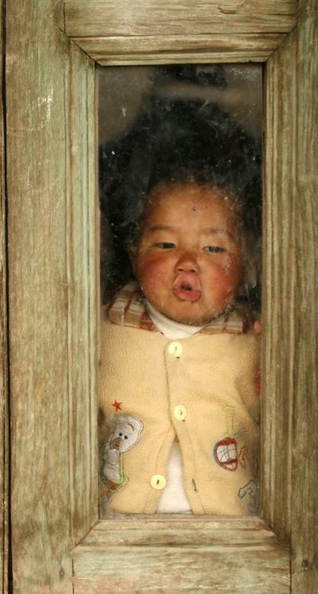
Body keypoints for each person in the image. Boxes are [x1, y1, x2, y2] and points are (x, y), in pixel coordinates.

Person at [98, 168, 261, 517]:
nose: (188, 262)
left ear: (248, 267)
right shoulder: (99, 332)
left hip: (236, 538)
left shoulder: (258, 344)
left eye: (214, 248)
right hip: (113, 536)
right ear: (134, 256)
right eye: (166, 245)